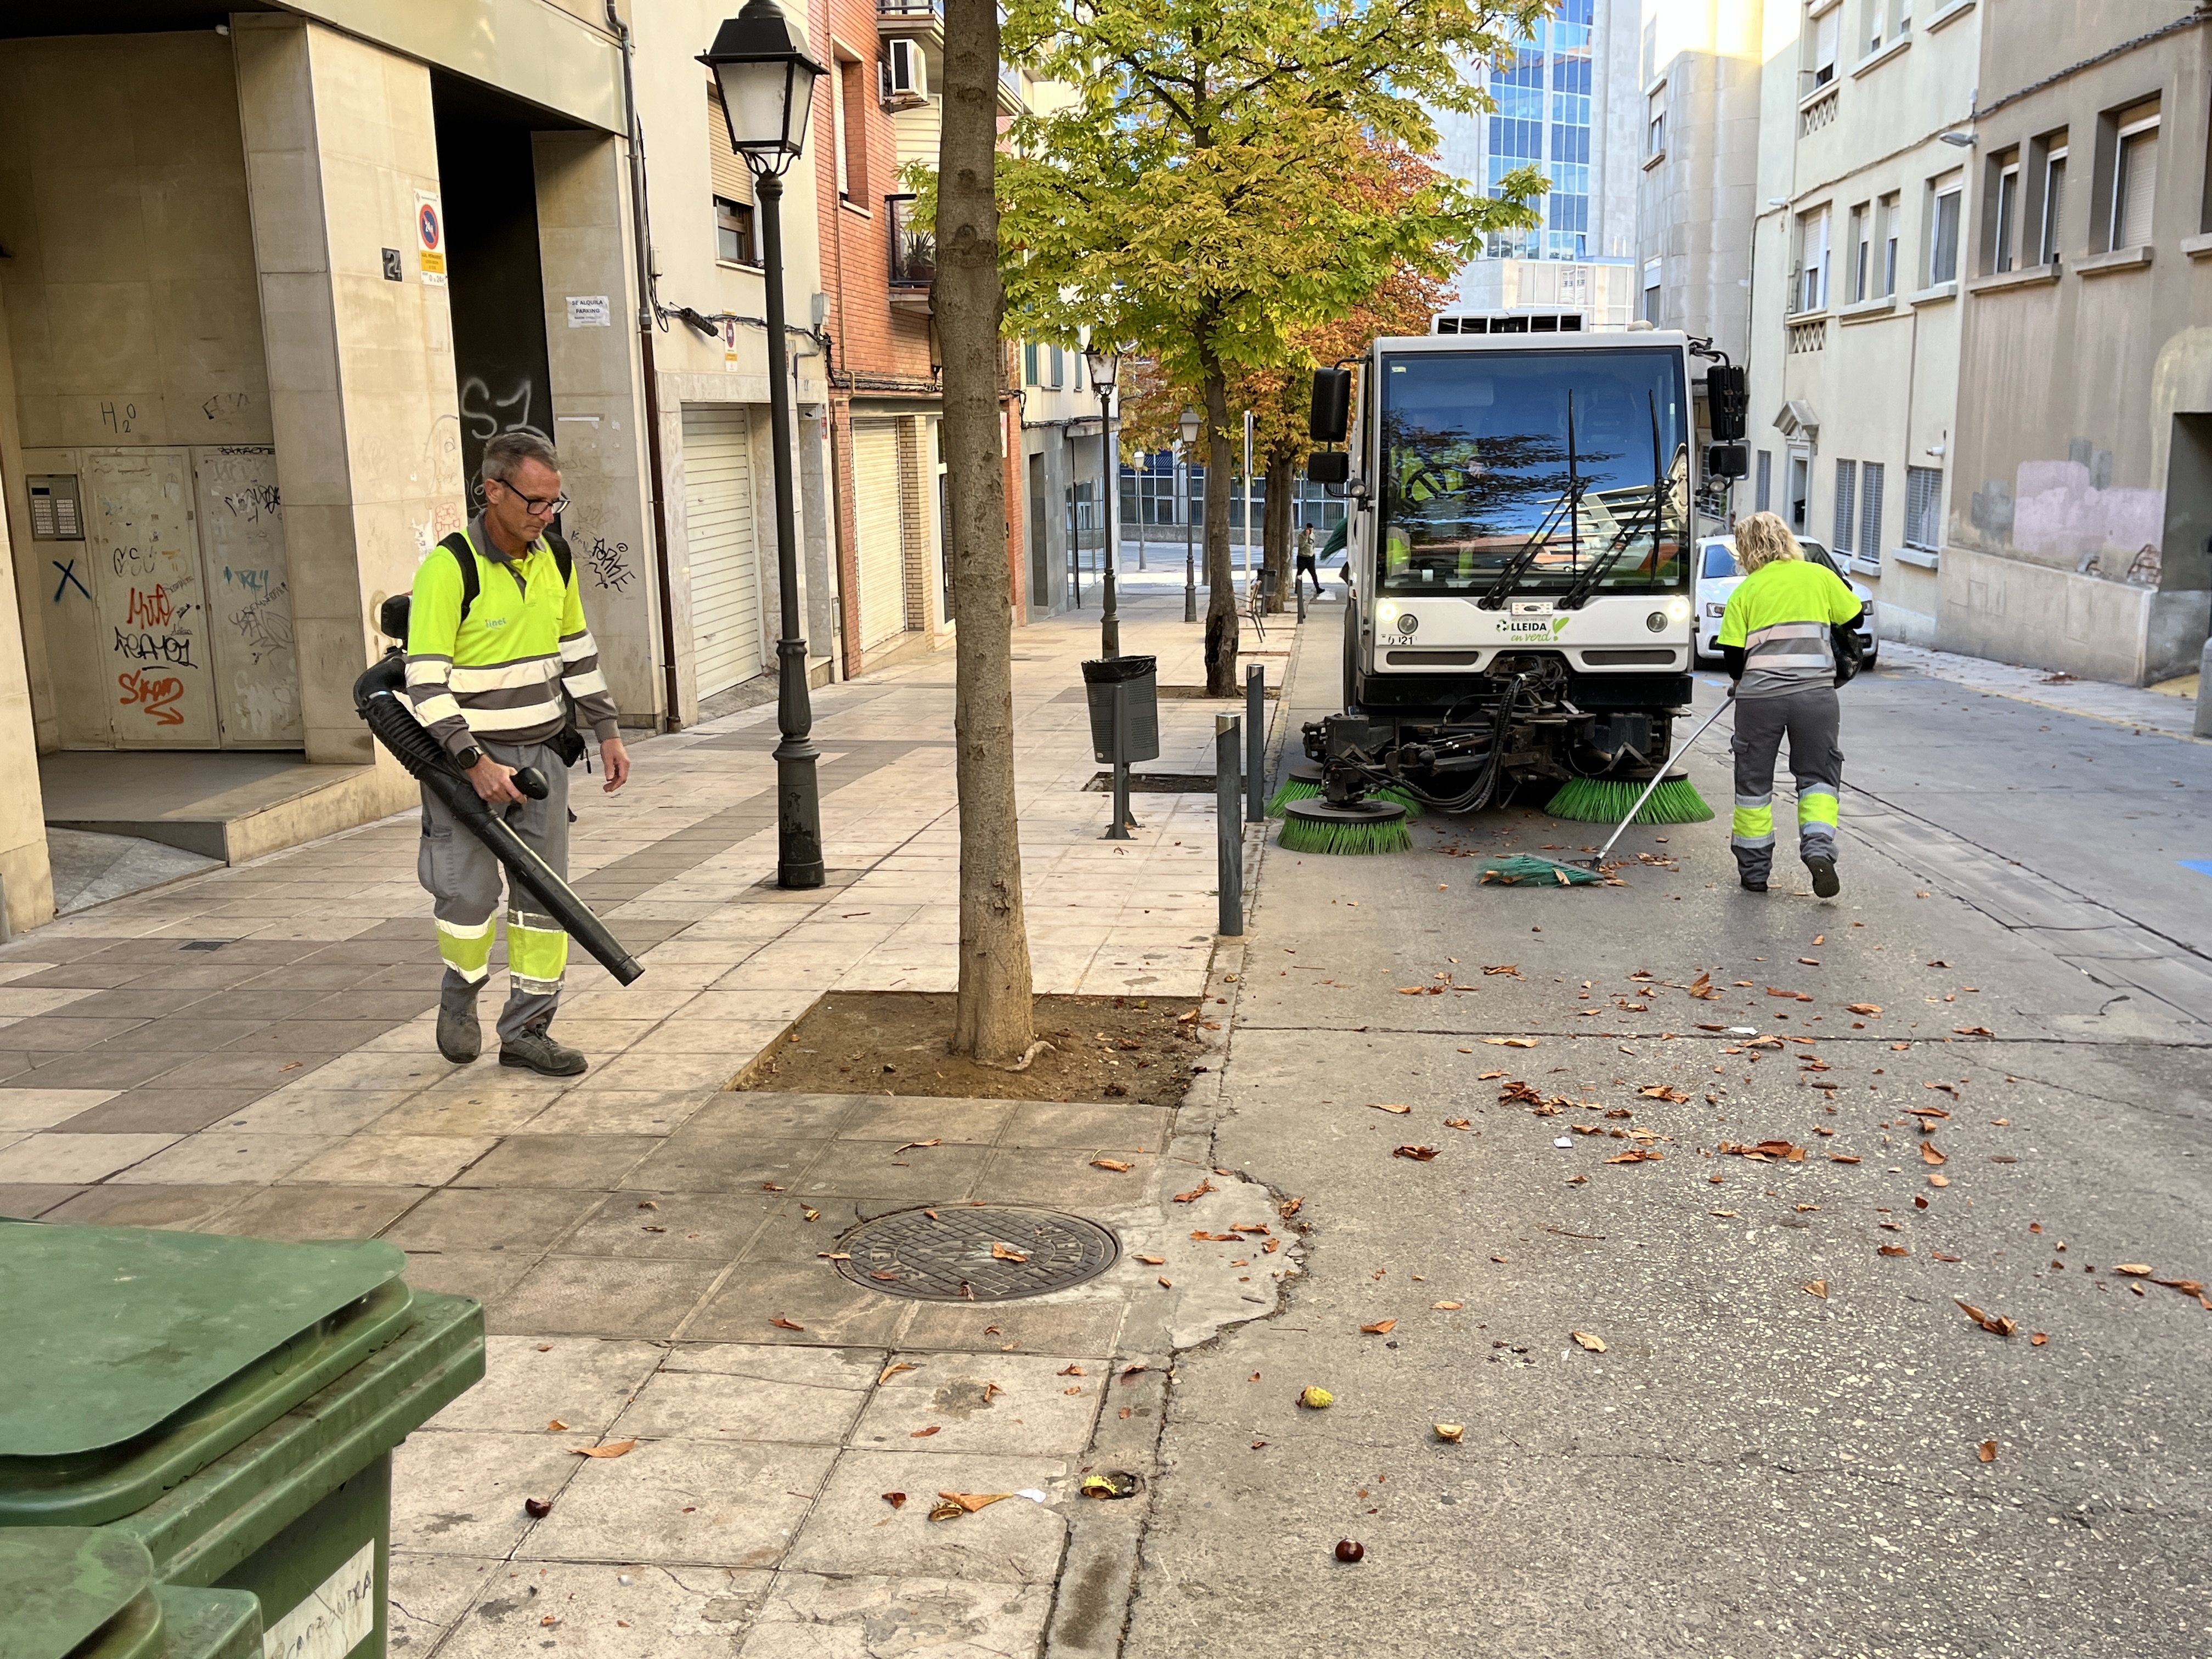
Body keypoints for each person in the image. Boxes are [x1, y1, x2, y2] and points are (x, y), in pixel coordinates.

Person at [405, 431, 632, 1074]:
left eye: (554, 502)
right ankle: (460, 993)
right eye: (534, 502)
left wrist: (607, 729)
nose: (546, 515)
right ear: (493, 491)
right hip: (465, 769)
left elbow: (576, 650)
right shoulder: (450, 568)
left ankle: (529, 1030)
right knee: (468, 897)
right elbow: (424, 681)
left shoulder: (554, 557)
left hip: (542, 759)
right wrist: (473, 762)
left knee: (543, 901)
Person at [1713, 511, 1864, 898]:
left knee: (1753, 785)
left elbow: (1733, 656)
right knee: (1818, 778)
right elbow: (1856, 617)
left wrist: (1740, 682)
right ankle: (1818, 849)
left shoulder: (1745, 591)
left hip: (1760, 700)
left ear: (1746, 550)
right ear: (1786, 539)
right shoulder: (1818, 576)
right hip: (1816, 698)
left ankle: (1754, 872)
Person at [1294, 522, 1319, 600]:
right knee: (1299, 574)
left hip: (1310, 557)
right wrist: (1306, 536)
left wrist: (1313, 554)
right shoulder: (1301, 536)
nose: (1310, 531)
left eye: (1311, 530)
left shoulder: (1313, 535)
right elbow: (1301, 546)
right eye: (1309, 530)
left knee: (1313, 573)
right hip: (1302, 557)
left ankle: (1318, 588)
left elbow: (1313, 545)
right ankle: (1297, 589)